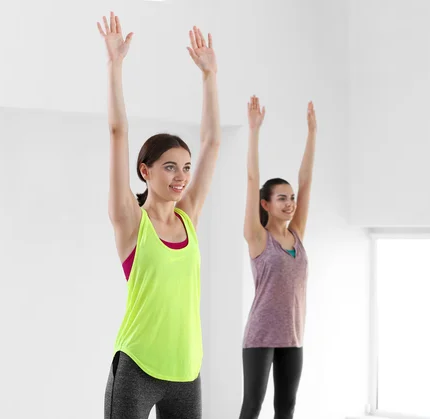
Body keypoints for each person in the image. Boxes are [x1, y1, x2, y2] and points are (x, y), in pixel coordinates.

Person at [97, 12, 221, 419]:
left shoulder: (189, 218)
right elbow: (118, 132)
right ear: (145, 171)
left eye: (186, 168)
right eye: (170, 166)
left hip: (187, 370)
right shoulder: (130, 221)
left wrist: (209, 76)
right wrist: (115, 65)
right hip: (137, 366)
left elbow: (212, 142)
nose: (182, 176)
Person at [240, 96, 317, 419]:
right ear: (266, 204)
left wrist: (312, 133)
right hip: (260, 336)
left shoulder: (296, 233)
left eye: (292, 199)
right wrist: (254, 130)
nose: (290, 203)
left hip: (293, 336)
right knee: (253, 406)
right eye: (282, 199)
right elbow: (252, 181)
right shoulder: (258, 238)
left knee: (286, 407)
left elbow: (306, 181)